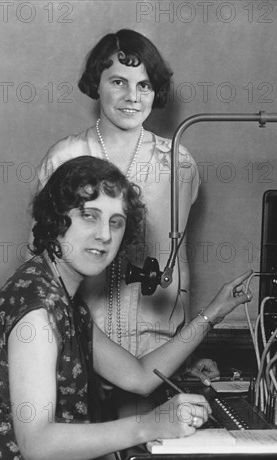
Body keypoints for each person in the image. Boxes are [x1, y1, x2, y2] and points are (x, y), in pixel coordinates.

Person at [0, 156, 252, 460]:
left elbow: (140, 376)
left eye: (116, 221)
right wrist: (149, 426)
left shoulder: (60, 297)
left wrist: (213, 312)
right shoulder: (37, 312)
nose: (105, 235)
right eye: (89, 216)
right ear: (56, 219)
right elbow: (37, 445)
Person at [36, 28, 206, 362]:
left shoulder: (179, 163)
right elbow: (41, 257)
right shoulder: (64, 158)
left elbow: (179, 256)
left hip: (156, 347)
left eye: (144, 85)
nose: (132, 96)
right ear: (96, 84)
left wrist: (181, 341)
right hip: (76, 344)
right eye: (118, 82)